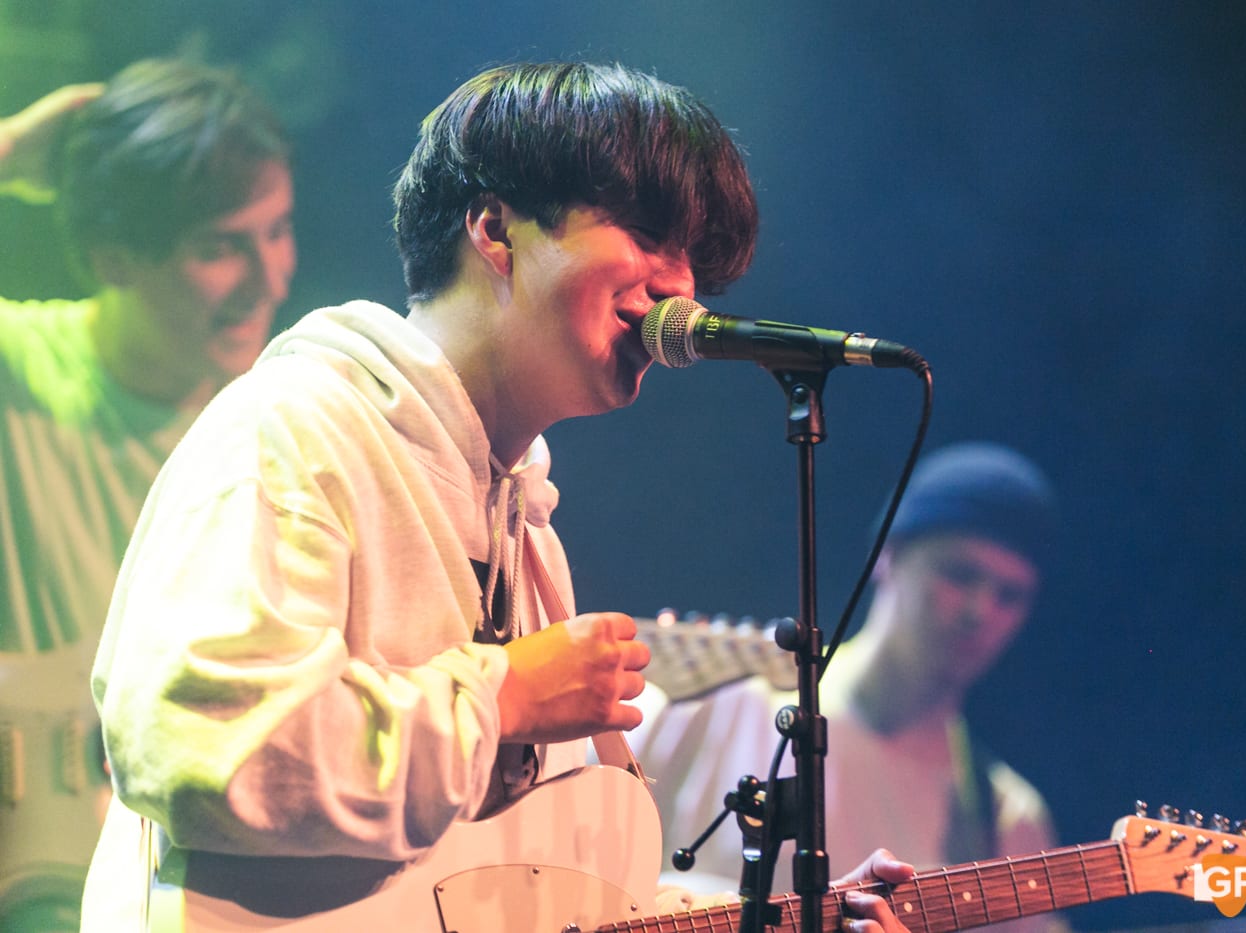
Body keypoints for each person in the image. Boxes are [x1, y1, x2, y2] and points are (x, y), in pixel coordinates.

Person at [79, 62, 915, 932]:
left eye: (694, 262)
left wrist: (779, 921)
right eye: (648, 235)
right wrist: (504, 695)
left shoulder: (525, 528)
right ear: (493, 228)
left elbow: (525, 887)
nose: (680, 289)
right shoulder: (293, 430)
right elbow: (207, 747)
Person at [0, 59, 295, 932]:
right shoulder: (22, 372)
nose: (267, 276)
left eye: (277, 231)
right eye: (219, 246)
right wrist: (10, 149)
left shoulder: (289, 415)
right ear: (110, 258)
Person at [633, 442, 1064, 931]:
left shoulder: (1005, 819)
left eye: (1010, 595)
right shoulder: (713, 702)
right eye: (960, 574)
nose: (979, 612)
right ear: (889, 556)